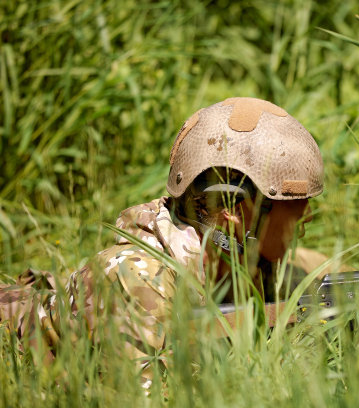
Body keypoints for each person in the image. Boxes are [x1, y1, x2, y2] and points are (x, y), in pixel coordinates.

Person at [0, 97, 328, 368]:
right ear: (234, 209)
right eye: (296, 204)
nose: (308, 214)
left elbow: (327, 276)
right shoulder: (137, 280)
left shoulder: (244, 254)